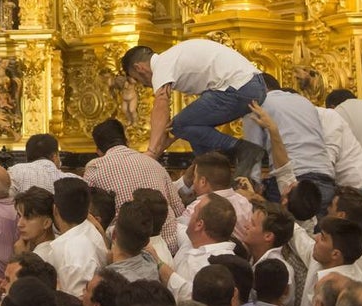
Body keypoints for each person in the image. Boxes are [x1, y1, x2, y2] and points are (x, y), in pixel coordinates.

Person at [122, 39, 267, 173]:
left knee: (180, 125)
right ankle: (210, 176)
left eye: (136, 79)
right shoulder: (171, 58)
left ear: (139, 68)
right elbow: (172, 124)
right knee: (195, 137)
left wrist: (152, 152)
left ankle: (243, 149)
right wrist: (163, 143)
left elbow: (161, 105)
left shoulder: (162, 64)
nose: (142, 84)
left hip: (240, 87)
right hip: (251, 86)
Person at [81, 119, 184, 252]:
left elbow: (83, 213)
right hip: (168, 247)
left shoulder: (95, 168)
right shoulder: (154, 164)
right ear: (127, 141)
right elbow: (178, 211)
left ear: (99, 151)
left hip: (130, 251)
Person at [8, 134, 74, 196]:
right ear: (54, 156)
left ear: (27, 156)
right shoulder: (72, 179)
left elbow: (7, 199)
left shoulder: (14, 171)